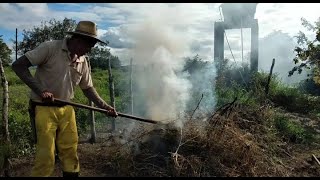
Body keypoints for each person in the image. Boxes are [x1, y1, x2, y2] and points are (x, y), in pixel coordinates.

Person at [12, 20, 118, 177]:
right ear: (77, 40)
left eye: (92, 47)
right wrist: (41, 91)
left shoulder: (83, 60)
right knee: (46, 155)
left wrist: (105, 106)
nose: (88, 50)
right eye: (87, 46)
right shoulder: (50, 48)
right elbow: (18, 65)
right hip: (43, 108)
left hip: (67, 109)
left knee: (70, 151)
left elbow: (87, 88)